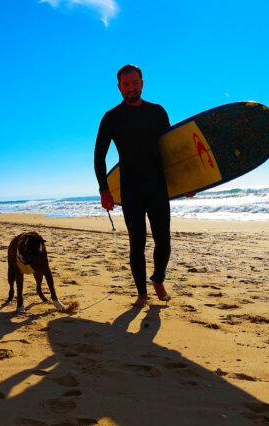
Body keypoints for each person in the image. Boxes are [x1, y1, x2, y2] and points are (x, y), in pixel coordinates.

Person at [94, 64, 172, 308]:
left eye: (135, 83)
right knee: (137, 243)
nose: (131, 88)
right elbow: (99, 156)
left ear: (142, 83)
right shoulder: (111, 117)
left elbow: (171, 151)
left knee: (164, 242)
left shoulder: (158, 112)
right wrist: (104, 189)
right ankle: (142, 293)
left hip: (158, 186)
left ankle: (158, 279)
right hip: (130, 189)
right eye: (125, 84)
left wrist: (185, 183)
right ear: (119, 87)